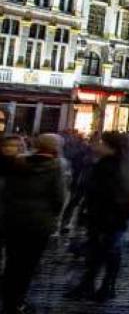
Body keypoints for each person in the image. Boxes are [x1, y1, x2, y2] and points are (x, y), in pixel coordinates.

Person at [68, 132, 129, 303]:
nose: (96, 145)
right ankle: (90, 285)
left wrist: (104, 217)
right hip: (101, 216)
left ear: (111, 148)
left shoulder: (112, 167)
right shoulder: (105, 163)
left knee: (109, 252)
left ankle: (106, 287)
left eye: (101, 143)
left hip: (109, 218)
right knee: (98, 253)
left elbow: (111, 195)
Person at [1, 134, 66, 314]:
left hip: (13, 219)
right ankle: (17, 302)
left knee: (13, 262)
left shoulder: (18, 163)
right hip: (39, 223)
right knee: (28, 265)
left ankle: (8, 299)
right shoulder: (55, 166)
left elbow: (6, 189)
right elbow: (58, 198)